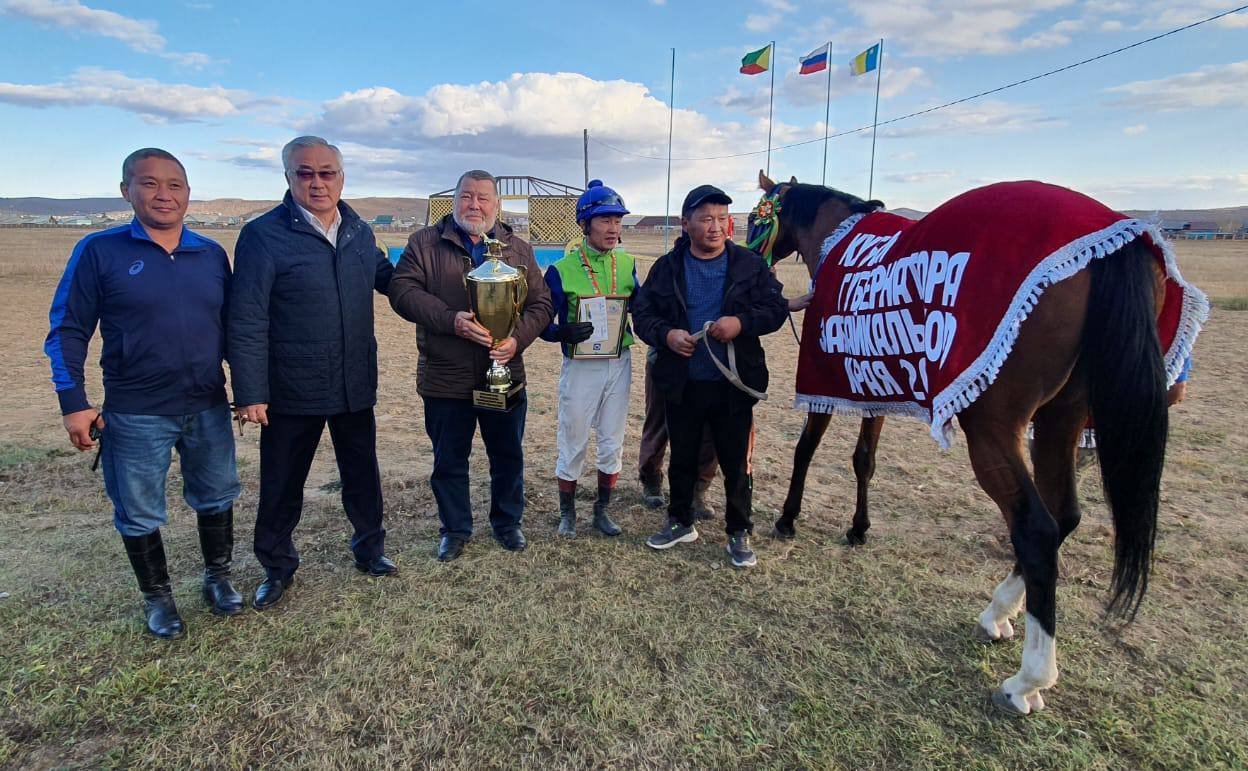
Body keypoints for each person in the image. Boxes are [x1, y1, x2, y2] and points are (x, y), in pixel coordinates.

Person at [45, 148, 241, 638]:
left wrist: (252, 389)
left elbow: (236, 329)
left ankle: (217, 578)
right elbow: (68, 329)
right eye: (149, 183)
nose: (163, 194)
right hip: (136, 411)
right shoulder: (100, 251)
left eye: (174, 185)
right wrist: (74, 402)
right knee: (137, 509)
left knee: (217, 493)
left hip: (207, 403)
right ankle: (158, 598)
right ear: (125, 190)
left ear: (188, 194)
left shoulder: (210, 254)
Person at [229, 136, 396, 610]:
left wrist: (452, 301)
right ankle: (277, 566)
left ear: (342, 178)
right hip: (290, 387)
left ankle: (370, 550)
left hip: (353, 382)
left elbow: (391, 281)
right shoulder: (263, 236)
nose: (317, 182)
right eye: (306, 172)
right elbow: (247, 317)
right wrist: (250, 392)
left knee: (362, 473)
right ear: (288, 177)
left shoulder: (359, 231)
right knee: (283, 480)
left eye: (327, 173)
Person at [388, 170, 553, 562]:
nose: (474, 205)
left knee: (508, 454)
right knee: (449, 458)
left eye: (483, 198)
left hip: (504, 373)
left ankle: (508, 522)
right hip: (447, 376)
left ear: (496, 205)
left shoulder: (518, 249)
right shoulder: (424, 243)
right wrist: (451, 320)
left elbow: (541, 304)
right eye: (466, 196)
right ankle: (455, 528)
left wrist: (517, 340)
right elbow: (402, 291)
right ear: (454, 200)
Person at [632, 185, 788, 568]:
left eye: (722, 219)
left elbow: (775, 308)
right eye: (706, 219)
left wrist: (742, 322)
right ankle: (680, 521)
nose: (715, 227)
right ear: (686, 224)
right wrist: (667, 335)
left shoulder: (750, 266)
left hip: (733, 386)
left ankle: (739, 531)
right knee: (683, 457)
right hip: (682, 382)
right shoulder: (667, 268)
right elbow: (644, 315)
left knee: (736, 463)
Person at [539, 180, 638, 538]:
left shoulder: (627, 264)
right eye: (605, 220)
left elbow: (640, 308)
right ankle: (568, 513)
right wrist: (559, 333)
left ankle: (602, 509)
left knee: (612, 438)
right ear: (585, 224)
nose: (613, 227)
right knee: (574, 436)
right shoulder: (561, 269)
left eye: (617, 220)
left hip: (619, 360)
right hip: (581, 366)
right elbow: (540, 321)